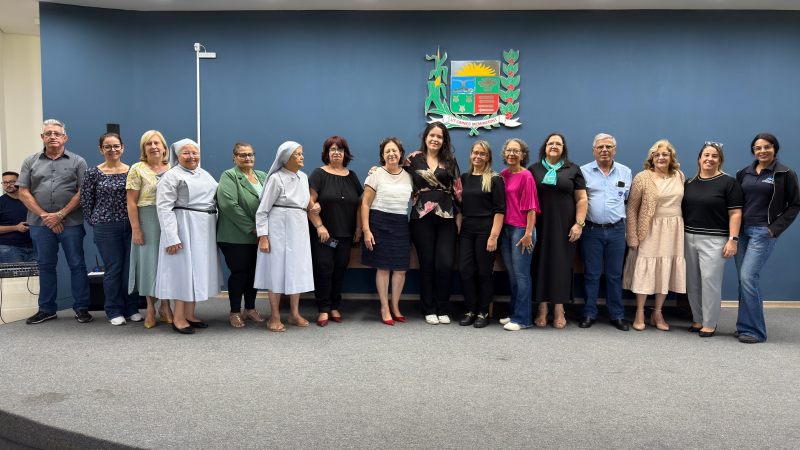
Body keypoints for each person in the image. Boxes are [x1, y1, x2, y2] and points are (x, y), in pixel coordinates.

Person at [17, 119, 92, 325]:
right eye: (48, 133)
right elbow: (23, 192)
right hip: (39, 224)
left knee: (77, 264)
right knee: (45, 265)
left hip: (71, 222)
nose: (52, 136)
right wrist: (46, 216)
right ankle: (47, 309)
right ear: (42, 137)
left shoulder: (78, 161)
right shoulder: (30, 162)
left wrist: (60, 215)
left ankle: (81, 307)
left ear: (64, 137)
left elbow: (83, 192)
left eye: (57, 133)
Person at [734, 133, 800, 343]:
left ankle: (755, 331)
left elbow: (795, 205)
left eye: (767, 147)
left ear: (774, 148)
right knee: (743, 279)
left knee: (748, 277)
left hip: (762, 233)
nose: (762, 151)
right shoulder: (743, 173)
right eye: (758, 148)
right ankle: (744, 326)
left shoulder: (785, 173)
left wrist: (773, 230)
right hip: (741, 232)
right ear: (753, 151)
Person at [155, 139, 222, 334]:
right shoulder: (171, 176)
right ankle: (178, 318)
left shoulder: (204, 174)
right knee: (182, 272)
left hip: (204, 229)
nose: (191, 156)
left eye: (195, 152)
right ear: (177, 155)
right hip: (183, 227)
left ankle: (190, 314)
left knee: (197, 271)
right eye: (186, 153)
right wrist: (171, 237)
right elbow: (164, 208)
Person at [623, 139, 686, 331]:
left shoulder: (679, 175)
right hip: (649, 229)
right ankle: (640, 312)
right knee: (645, 270)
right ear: (651, 158)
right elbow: (631, 209)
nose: (660, 157)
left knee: (665, 270)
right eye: (656, 155)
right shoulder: (643, 177)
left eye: (665, 154)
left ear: (671, 157)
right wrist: (632, 236)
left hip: (673, 229)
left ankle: (657, 313)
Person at [682, 142, 743, 338]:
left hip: (715, 239)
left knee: (710, 281)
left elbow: (735, 213)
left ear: (720, 160)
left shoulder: (729, 183)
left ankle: (709, 323)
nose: (709, 159)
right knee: (692, 282)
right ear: (699, 159)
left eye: (714, 156)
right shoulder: (689, 183)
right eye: (706, 155)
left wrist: (733, 239)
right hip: (688, 237)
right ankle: (698, 319)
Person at [80, 132, 141, 326]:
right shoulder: (93, 173)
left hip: (131, 225)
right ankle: (114, 310)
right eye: (108, 146)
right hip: (106, 227)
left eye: (116, 146)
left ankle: (131, 308)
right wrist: (95, 221)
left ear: (122, 148)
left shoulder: (133, 171)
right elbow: (86, 201)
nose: (112, 150)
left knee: (130, 269)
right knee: (113, 269)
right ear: (101, 149)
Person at [404, 123, 462, 325]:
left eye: (439, 136)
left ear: (444, 140)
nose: (435, 139)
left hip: (447, 215)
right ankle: (428, 309)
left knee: (445, 264)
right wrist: (377, 169)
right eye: (432, 135)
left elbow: (458, 189)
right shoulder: (413, 158)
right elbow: (396, 176)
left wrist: (460, 216)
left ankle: (442, 308)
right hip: (421, 216)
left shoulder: (450, 160)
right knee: (427, 264)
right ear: (425, 137)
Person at [528, 133, 587, 328]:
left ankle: (560, 308)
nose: (554, 146)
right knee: (540, 263)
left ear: (563, 148)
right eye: (550, 143)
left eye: (558, 144)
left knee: (562, 265)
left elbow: (582, 199)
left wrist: (579, 223)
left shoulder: (573, 169)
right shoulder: (533, 170)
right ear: (545, 147)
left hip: (565, 227)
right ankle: (542, 308)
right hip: (539, 225)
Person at [255, 141, 314, 332]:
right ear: (286, 158)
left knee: (296, 271)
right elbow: (262, 211)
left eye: (302, 153)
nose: (302, 157)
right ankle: (274, 316)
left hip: (299, 229)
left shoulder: (303, 177)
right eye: (297, 154)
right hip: (278, 231)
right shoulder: (276, 178)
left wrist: (314, 206)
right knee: (276, 272)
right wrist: (264, 237)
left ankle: (294, 314)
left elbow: (305, 203)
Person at [307, 136, 363, 327]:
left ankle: (334, 306)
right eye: (332, 149)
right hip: (324, 235)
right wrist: (319, 226)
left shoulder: (352, 176)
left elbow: (359, 205)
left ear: (345, 154)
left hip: (346, 235)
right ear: (327, 153)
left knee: (339, 270)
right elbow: (310, 203)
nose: (336, 153)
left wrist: (358, 228)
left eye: (340, 149)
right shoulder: (319, 174)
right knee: (324, 270)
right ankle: (323, 308)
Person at [579, 133, 632, 331]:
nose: (604, 150)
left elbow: (627, 201)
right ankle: (589, 313)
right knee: (591, 275)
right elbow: (579, 200)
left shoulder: (625, 172)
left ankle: (617, 315)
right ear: (593, 151)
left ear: (614, 150)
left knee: (614, 276)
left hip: (617, 230)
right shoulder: (583, 171)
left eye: (608, 147)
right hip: (591, 230)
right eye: (600, 147)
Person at [361, 137, 413, 326]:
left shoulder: (409, 176)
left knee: (400, 269)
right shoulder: (375, 175)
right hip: (378, 223)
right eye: (387, 151)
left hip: (400, 224)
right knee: (382, 268)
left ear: (401, 153)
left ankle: (395, 306)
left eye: (394, 150)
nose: (391, 154)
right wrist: (366, 230)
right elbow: (365, 204)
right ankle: (384, 307)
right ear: (382, 155)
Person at [217, 142, 267, 328]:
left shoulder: (262, 176)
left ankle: (250, 309)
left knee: (255, 273)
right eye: (243, 155)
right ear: (234, 157)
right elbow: (228, 204)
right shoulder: (229, 175)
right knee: (240, 273)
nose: (248, 158)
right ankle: (235, 312)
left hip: (259, 235)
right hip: (235, 235)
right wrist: (253, 227)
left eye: (251, 154)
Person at [127, 130, 172, 328]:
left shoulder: (174, 167)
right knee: (149, 264)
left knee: (169, 262)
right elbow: (131, 202)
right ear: (143, 148)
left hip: (170, 219)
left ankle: (166, 306)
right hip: (147, 219)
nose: (153, 146)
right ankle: (150, 308)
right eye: (148, 143)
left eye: (157, 143)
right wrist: (136, 229)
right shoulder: (137, 169)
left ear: (164, 147)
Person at [457, 141, 505, 328]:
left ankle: (483, 312)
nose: (478, 156)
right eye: (475, 152)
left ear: (488, 157)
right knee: (465, 271)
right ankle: (470, 310)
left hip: (487, 230)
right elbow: (460, 206)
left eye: (482, 154)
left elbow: (500, 210)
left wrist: (494, 236)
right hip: (467, 229)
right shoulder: (464, 178)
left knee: (484, 272)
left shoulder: (495, 178)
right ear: (470, 154)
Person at [498, 138, 540, 331]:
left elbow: (532, 208)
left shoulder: (527, 176)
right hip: (506, 229)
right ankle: (515, 313)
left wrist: (529, 233)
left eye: (516, 150)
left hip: (522, 230)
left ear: (523, 155)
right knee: (513, 275)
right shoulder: (503, 174)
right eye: (509, 150)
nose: (512, 154)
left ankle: (523, 319)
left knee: (522, 275)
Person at [0, 172, 37, 262]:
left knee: (42, 271)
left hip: (35, 246)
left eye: (12, 182)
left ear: (20, 182)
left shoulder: (32, 200)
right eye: (5, 183)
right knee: (15, 272)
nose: (8, 185)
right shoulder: (1, 202)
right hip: (9, 247)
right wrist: (16, 228)